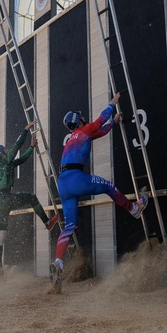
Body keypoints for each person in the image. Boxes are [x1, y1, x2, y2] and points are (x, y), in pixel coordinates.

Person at [50, 92, 148, 289]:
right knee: (108, 186)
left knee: (69, 225)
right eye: (82, 117)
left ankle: (58, 262)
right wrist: (112, 104)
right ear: (79, 121)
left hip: (63, 183)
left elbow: (100, 131)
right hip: (76, 178)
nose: (84, 117)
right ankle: (134, 209)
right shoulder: (83, 130)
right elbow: (98, 122)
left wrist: (114, 121)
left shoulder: (74, 137)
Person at [0, 121, 59, 274]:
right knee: (31, 197)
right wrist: (25, 130)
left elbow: (20, 160)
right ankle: (47, 222)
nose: (7, 149)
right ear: (2, 153)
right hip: (5, 198)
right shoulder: (5, 159)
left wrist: (31, 147)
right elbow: (16, 147)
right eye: (5, 149)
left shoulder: (2, 164)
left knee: (1, 235)